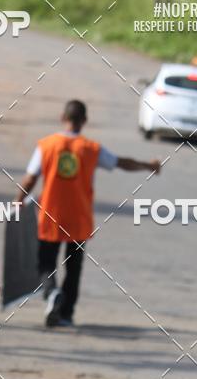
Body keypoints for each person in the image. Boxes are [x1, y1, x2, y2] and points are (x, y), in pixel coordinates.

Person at [14, 99, 161, 326]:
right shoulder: (91, 149)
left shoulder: (46, 145)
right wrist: (147, 165)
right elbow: (121, 163)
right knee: (74, 268)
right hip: (79, 219)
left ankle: (51, 293)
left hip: (51, 215)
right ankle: (65, 314)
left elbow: (31, 177)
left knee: (45, 263)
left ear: (63, 117)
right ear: (84, 121)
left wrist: (18, 201)